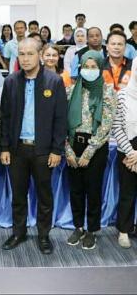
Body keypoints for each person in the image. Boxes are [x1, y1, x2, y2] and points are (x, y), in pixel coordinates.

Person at [0, 38, 67, 255]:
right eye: (21, 54)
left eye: (30, 54)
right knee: (18, 195)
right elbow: (4, 117)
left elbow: (61, 119)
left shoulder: (54, 81)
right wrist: (4, 147)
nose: (25, 58)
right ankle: (18, 233)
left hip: (43, 151)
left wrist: (57, 150)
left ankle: (44, 235)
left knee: (44, 195)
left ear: (40, 55)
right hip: (17, 149)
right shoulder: (11, 81)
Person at [65, 50, 116, 250]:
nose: (89, 70)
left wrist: (88, 152)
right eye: (86, 66)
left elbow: (106, 125)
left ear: (101, 68)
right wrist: (68, 151)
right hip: (73, 143)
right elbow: (61, 122)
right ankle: (78, 227)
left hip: (96, 147)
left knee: (93, 190)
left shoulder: (108, 91)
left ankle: (92, 230)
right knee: (76, 190)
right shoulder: (71, 91)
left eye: (94, 67)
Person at [112, 58, 137, 249]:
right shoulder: (122, 95)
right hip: (127, 150)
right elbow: (117, 127)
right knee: (127, 193)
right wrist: (131, 153)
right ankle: (124, 230)